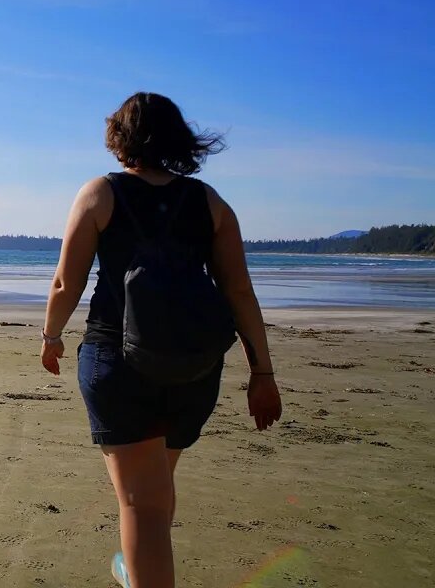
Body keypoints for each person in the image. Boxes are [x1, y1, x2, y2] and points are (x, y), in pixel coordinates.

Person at [39, 92, 283, 588]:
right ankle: (134, 567)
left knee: (141, 502)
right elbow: (238, 291)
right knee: (155, 486)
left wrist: (52, 336)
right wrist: (262, 372)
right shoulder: (210, 203)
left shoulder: (100, 194)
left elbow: (68, 282)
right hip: (193, 366)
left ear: (118, 139)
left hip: (117, 362)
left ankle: (140, 571)